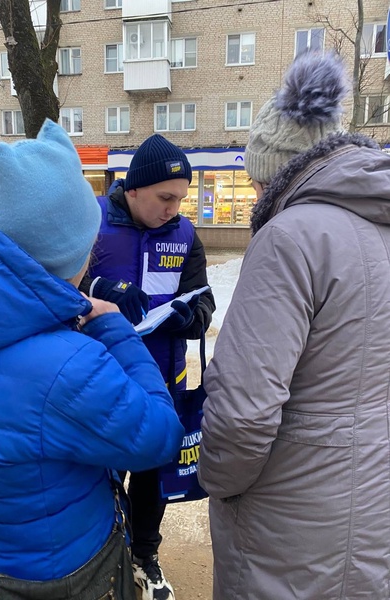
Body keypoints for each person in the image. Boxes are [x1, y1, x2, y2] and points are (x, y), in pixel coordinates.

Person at [0, 119, 185, 600]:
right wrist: (113, 327)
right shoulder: (67, 366)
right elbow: (158, 435)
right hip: (66, 577)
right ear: (66, 254)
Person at [198, 50, 390, 600]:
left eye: (257, 183)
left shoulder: (288, 237)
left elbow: (242, 411)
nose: (258, 196)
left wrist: (216, 481)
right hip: (372, 503)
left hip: (289, 525)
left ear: (276, 171)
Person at [80, 133, 215, 600]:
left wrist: (190, 315)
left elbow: (204, 300)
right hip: (98, 374)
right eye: (164, 197)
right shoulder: (89, 219)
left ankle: (144, 555)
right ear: (133, 189)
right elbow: (51, 280)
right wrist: (99, 285)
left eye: (180, 199)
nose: (173, 209)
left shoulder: (185, 234)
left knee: (152, 472)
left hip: (163, 379)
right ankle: (101, 554)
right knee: (99, 471)